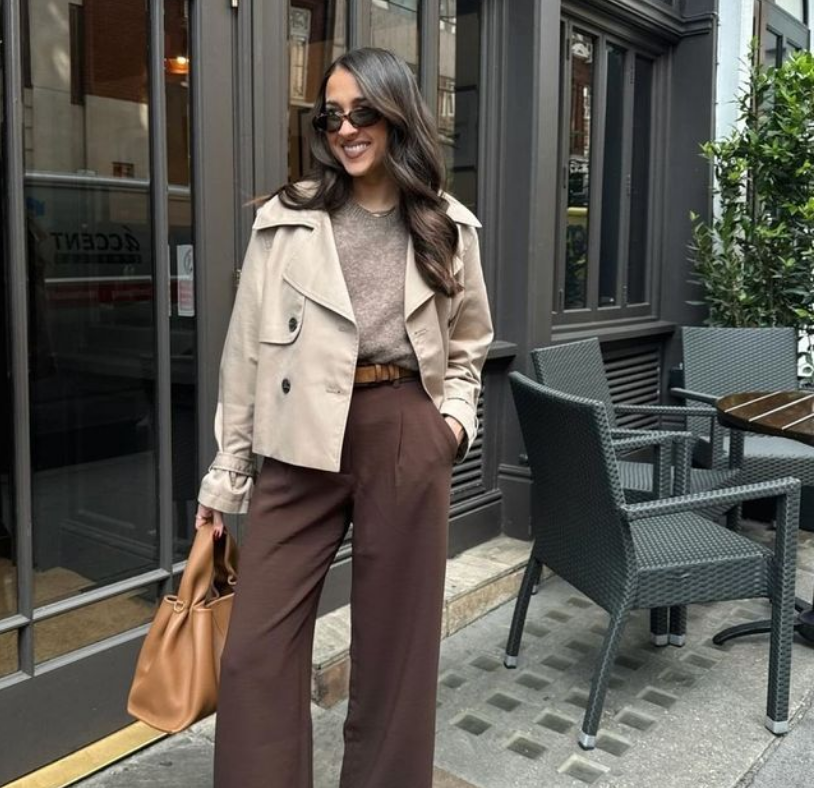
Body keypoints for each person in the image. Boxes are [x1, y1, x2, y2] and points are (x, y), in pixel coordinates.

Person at [195, 47, 493, 788]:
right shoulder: (287, 220)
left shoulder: (445, 224)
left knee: (397, 650)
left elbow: (469, 345)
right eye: (331, 115)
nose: (346, 129)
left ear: (397, 116)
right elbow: (244, 358)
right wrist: (225, 479)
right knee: (255, 649)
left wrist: (451, 426)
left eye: (364, 112)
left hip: (402, 428)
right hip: (297, 440)